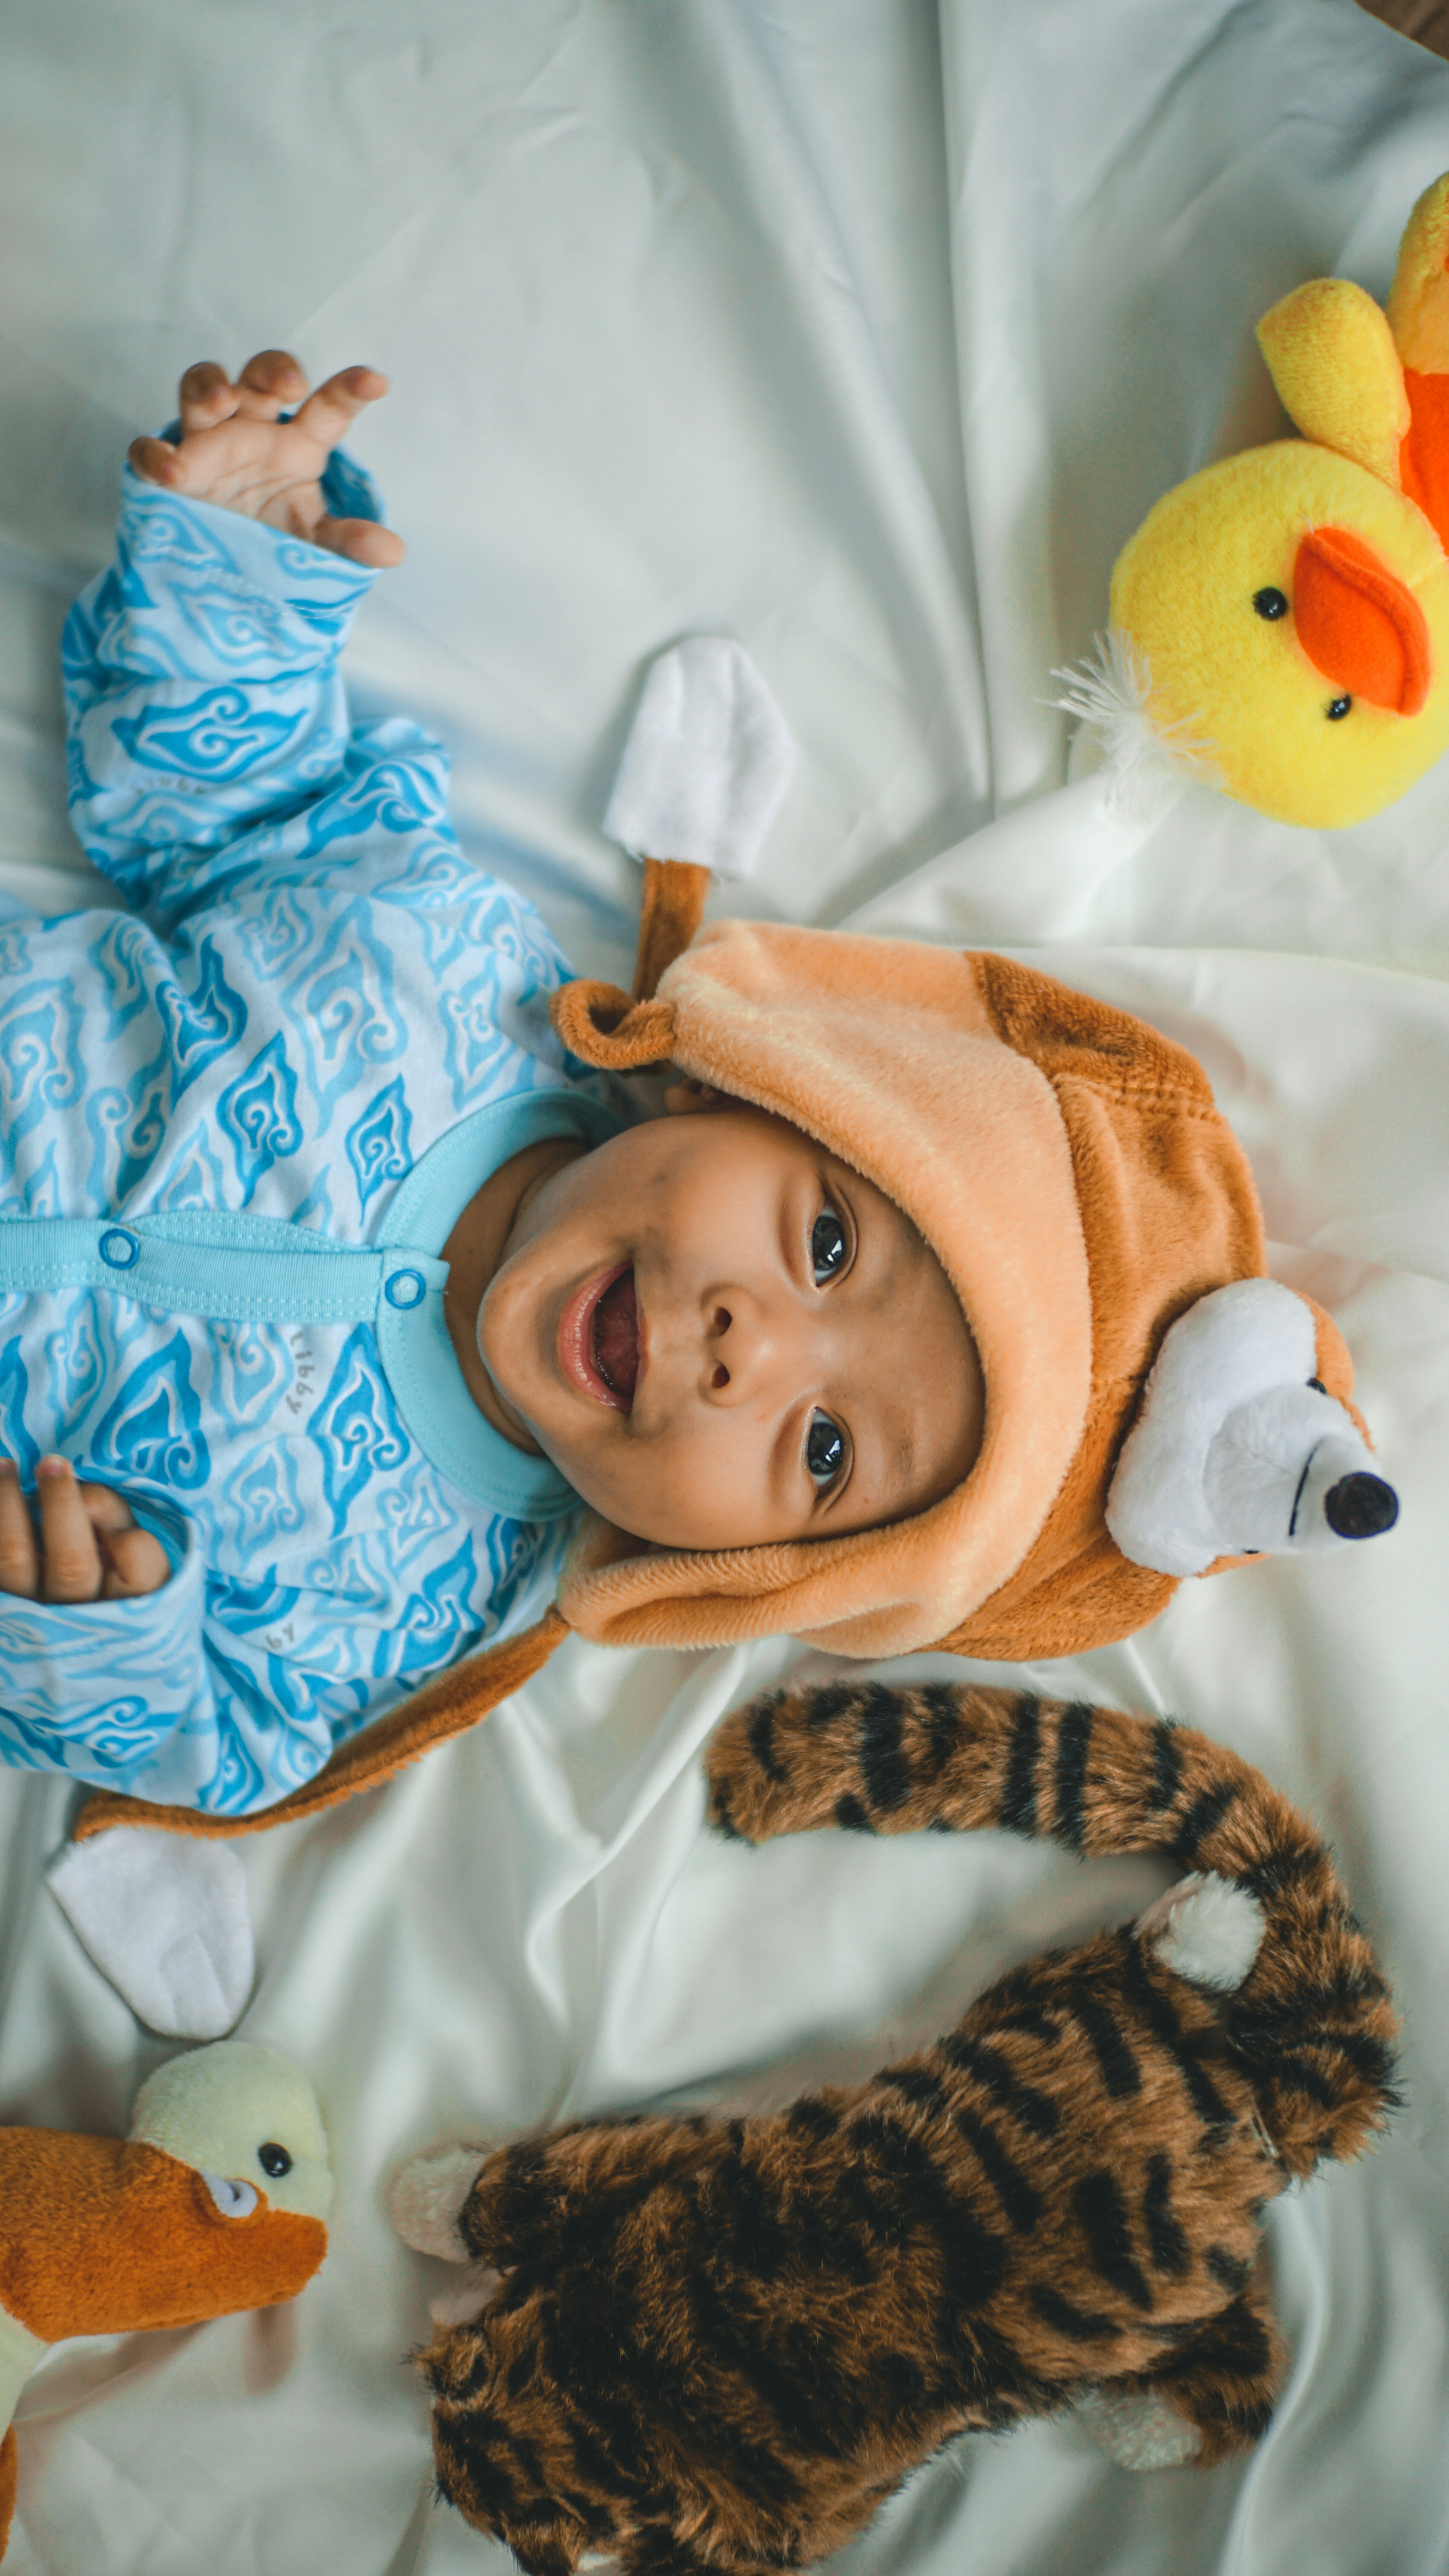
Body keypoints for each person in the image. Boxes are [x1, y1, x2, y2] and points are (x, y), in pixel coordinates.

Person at [0, 350, 1391, 1829]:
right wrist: (239, 578)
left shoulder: (411, 1596)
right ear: (747, 1094)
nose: (751, 1346)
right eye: (830, 1243)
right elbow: (238, 813)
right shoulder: (445, 965)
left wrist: (101, 1643)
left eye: (827, 1451)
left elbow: (227, 1742)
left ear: (741, 1574)